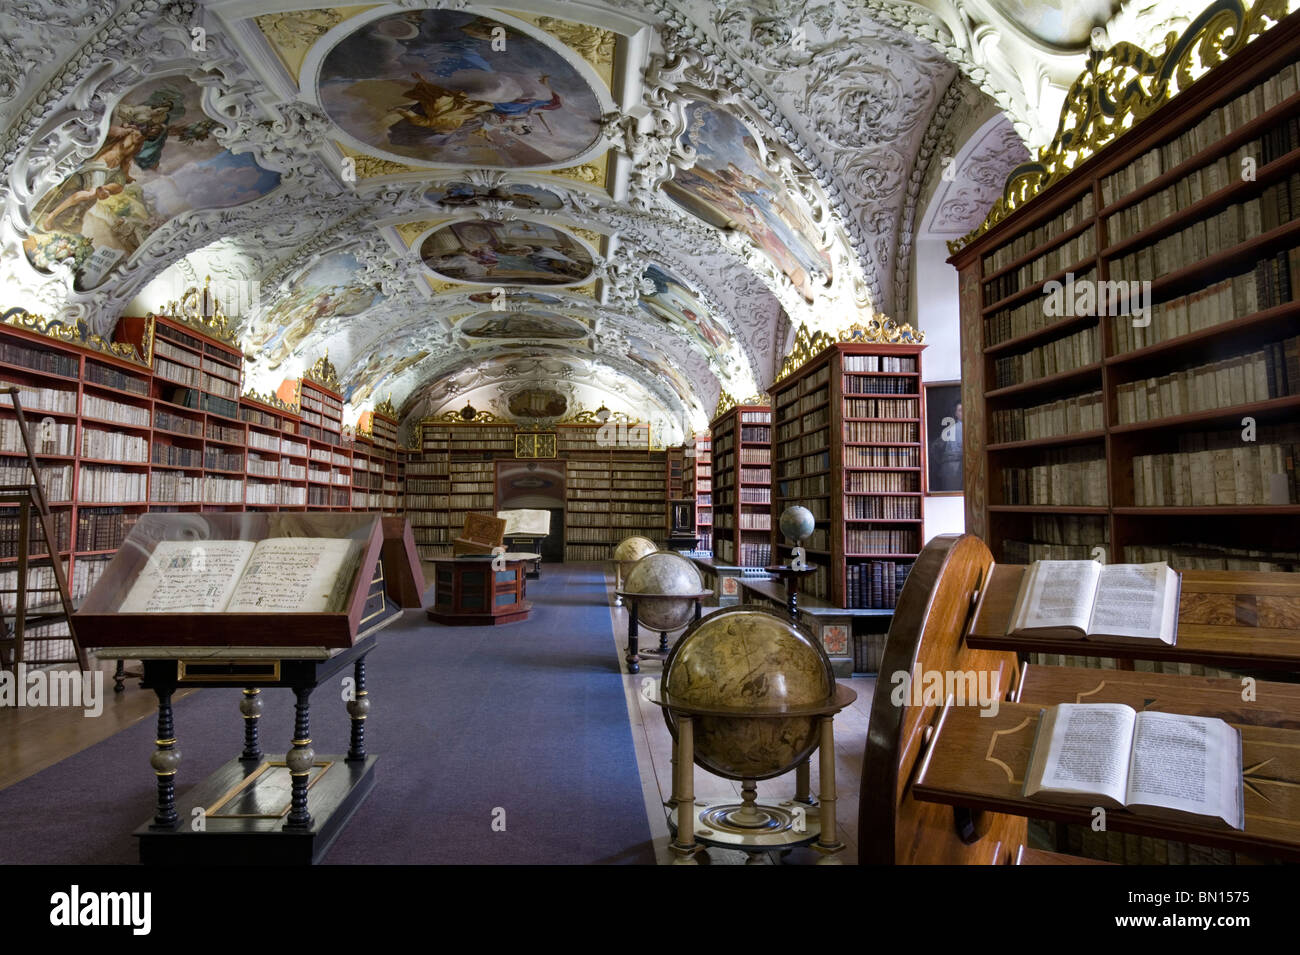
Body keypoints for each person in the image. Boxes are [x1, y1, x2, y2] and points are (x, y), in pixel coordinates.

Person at [929, 400, 963, 491]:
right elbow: (935, 447)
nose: (963, 413)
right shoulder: (950, 429)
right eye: (960, 410)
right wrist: (941, 462)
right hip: (951, 469)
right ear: (956, 413)